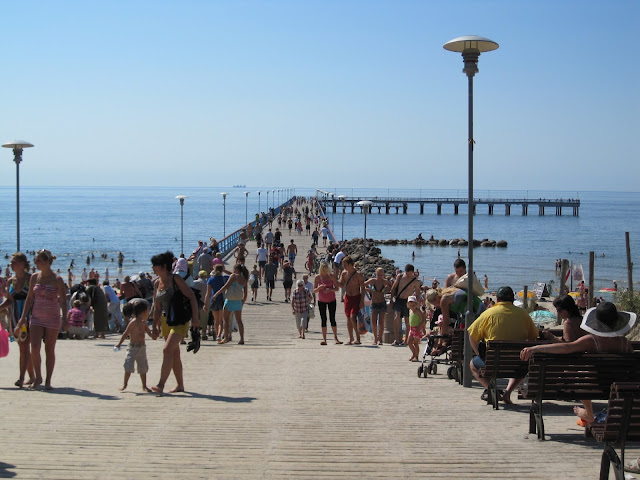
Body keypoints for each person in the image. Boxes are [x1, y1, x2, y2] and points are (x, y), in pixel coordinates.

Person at [521, 302, 635, 424]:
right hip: (618, 387)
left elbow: (567, 347)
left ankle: (589, 413)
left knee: (577, 373)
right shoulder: (625, 343)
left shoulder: (591, 341)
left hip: (592, 386)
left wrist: (535, 348)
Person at [468, 286, 538, 404]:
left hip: (492, 363)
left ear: (498, 299)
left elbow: (472, 335)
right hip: (518, 362)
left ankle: (492, 389)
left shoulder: (488, 313)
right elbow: (533, 337)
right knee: (522, 366)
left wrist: (478, 353)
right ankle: (507, 393)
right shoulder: (523, 314)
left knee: (473, 364)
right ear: (512, 299)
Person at [16, 249, 68, 390]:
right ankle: (38, 377)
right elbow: (29, 298)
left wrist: (65, 318)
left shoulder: (57, 279)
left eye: (38, 260)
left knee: (49, 349)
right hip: (36, 317)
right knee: (35, 348)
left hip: (52, 318)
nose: (35, 262)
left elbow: (63, 301)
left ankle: (48, 380)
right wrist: (22, 318)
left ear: (47, 262)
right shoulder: (34, 277)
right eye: (35, 260)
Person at [150, 251, 199, 395]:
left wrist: (195, 318)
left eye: (155, 265)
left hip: (180, 320)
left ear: (164, 266)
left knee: (167, 350)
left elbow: (191, 296)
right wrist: (154, 325)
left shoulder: (175, 279)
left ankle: (160, 385)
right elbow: (157, 306)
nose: (153, 268)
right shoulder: (156, 283)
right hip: (166, 320)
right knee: (174, 353)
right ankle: (180, 385)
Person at [0, 252, 35, 387]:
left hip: (28, 316)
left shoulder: (31, 279)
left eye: (14, 262)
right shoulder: (11, 281)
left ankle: (21, 377)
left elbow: (34, 299)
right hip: (15, 316)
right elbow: (10, 301)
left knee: (24, 347)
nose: (11, 264)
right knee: (22, 346)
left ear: (22, 264)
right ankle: (32, 376)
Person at [115, 299, 154, 392]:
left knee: (143, 367)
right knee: (128, 365)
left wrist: (154, 335)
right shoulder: (133, 322)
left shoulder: (144, 322)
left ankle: (144, 386)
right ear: (143, 312)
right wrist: (119, 344)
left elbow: (149, 332)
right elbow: (125, 333)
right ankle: (125, 384)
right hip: (132, 347)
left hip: (141, 347)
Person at [212, 264, 248, 344]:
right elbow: (245, 294)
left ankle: (226, 338)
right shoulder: (244, 279)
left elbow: (225, 286)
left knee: (225, 320)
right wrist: (242, 303)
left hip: (230, 300)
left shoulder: (233, 276)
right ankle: (242, 339)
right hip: (238, 301)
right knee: (239, 321)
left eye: (234, 268)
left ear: (236, 269)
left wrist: (216, 294)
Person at [336, 256, 366, 345]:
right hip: (348, 297)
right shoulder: (344, 273)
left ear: (350, 264)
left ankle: (358, 338)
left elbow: (363, 288)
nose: (344, 267)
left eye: (345, 265)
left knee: (353, 317)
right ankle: (351, 338)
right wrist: (334, 280)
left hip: (356, 297)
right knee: (348, 318)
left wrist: (362, 301)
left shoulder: (358, 274)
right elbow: (341, 285)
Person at [389, 264, 421, 346]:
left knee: (407, 321)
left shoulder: (415, 281)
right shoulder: (400, 277)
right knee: (396, 318)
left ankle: (406, 340)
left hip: (408, 301)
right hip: (399, 299)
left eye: (409, 273)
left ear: (412, 272)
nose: (407, 274)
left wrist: (417, 304)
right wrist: (391, 299)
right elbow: (393, 288)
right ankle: (396, 339)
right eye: (406, 272)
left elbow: (417, 293)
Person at [313, 262, 342, 345]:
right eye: (323, 271)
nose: (325, 273)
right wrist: (319, 288)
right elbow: (314, 291)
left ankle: (336, 338)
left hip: (331, 300)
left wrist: (330, 290)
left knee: (332, 318)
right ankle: (324, 339)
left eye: (326, 271)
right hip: (321, 300)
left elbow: (337, 288)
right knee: (323, 319)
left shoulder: (331, 276)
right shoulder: (318, 277)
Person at [365, 267, 392, 345]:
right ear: (375, 274)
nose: (380, 276)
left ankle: (380, 339)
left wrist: (387, 289)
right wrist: (367, 290)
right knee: (373, 322)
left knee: (381, 322)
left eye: (381, 275)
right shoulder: (372, 281)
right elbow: (363, 284)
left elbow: (392, 287)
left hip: (382, 303)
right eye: (378, 274)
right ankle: (375, 339)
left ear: (383, 274)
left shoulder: (385, 282)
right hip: (374, 303)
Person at [203, 264, 229, 341]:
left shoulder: (211, 280)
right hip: (222, 300)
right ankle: (219, 335)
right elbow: (233, 275)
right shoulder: (224, 278)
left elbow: (208, 293)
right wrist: (224, 270)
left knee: (216, 320)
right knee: (221, 320)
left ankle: (218, 334)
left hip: (213, 300)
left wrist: (205, 304)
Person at [407, 296, 426, 362]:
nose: (412, 306)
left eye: (413, 305)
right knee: (409, 342)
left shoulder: (418, 311)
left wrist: (420, 327)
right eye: (410, 305)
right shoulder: (410, 311)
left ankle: (416, 356)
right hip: (412, 328)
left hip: (417, 328)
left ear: (416, 304)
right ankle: (414, 353)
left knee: (416, 343)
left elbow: (423, 320)